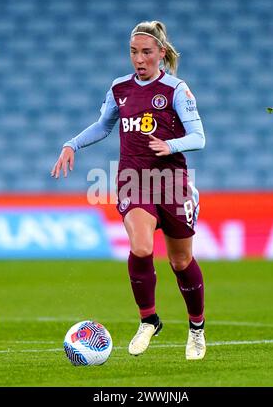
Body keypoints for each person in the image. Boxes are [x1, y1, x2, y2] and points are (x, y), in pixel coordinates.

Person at [51, 20, 206, 360]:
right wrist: (72, 144)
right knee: (140, 246)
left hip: (171, 183)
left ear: (161, 54)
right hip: (133, 180)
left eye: (146, 52)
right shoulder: (120, 88)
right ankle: (149, 319)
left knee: (181, 261)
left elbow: (199, 137)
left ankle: (196, 329)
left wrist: (171, 144)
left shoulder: (176, 90)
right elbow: (104, 125)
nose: (139, 59)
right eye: (134, 52)